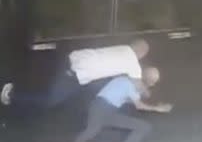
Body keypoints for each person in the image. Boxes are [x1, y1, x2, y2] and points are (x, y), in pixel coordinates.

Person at [54, 67, 173, 142]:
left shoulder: (129, 83)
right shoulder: (128, 83)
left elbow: (129, 100)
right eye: (153, 82)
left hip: (108, 111)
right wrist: (157, 108)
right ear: (147, 80)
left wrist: (153, 104)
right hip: (100, 108)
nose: (152, 85)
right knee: (90, 132)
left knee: (143, 126)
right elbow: (139, 105)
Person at [1, 39, 150, 108]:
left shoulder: (123, 47)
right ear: (142, 54)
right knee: (51, 100)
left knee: (49, 81)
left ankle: (17, 81)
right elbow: (139, 86)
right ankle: (11, 95)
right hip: (75, 73)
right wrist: (149, 89)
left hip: (72, 57)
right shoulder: (133, 63)